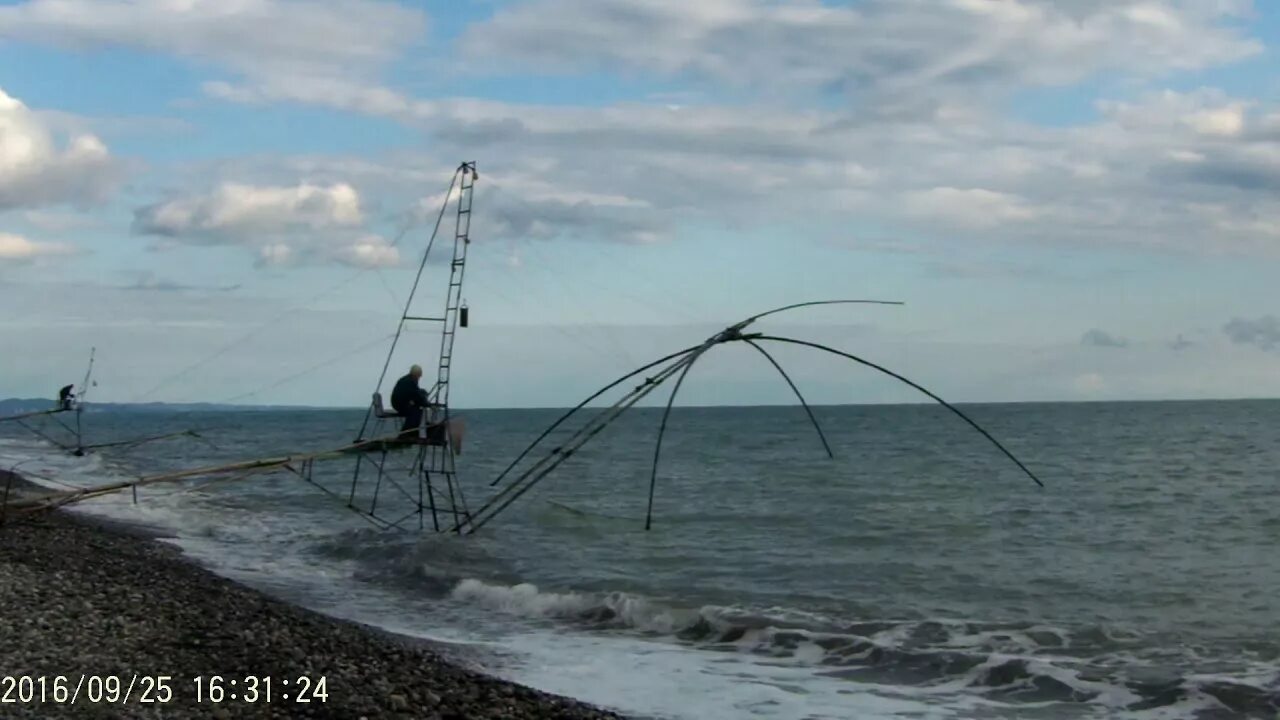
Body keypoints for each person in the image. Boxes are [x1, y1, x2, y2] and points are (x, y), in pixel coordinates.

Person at [390, 365, 432, 437]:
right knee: (416, 412)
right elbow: (417, 396)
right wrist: (428, 404)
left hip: (399, 402)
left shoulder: (408, 379)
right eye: (419, 375)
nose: (419, 377)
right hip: (400, 404)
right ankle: (405, 434)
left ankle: (411, 433)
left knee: (416, 410)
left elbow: (415, 394)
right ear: (416, 374)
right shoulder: (410, 382)